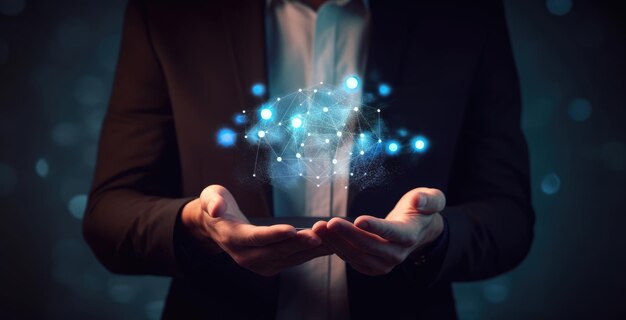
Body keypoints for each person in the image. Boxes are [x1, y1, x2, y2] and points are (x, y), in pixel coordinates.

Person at [83, 0, 535, 319]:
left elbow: (508, 218)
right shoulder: (169, 12)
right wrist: (195, 226)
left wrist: (432, 238)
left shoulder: (464, 12)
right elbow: (109, 215)